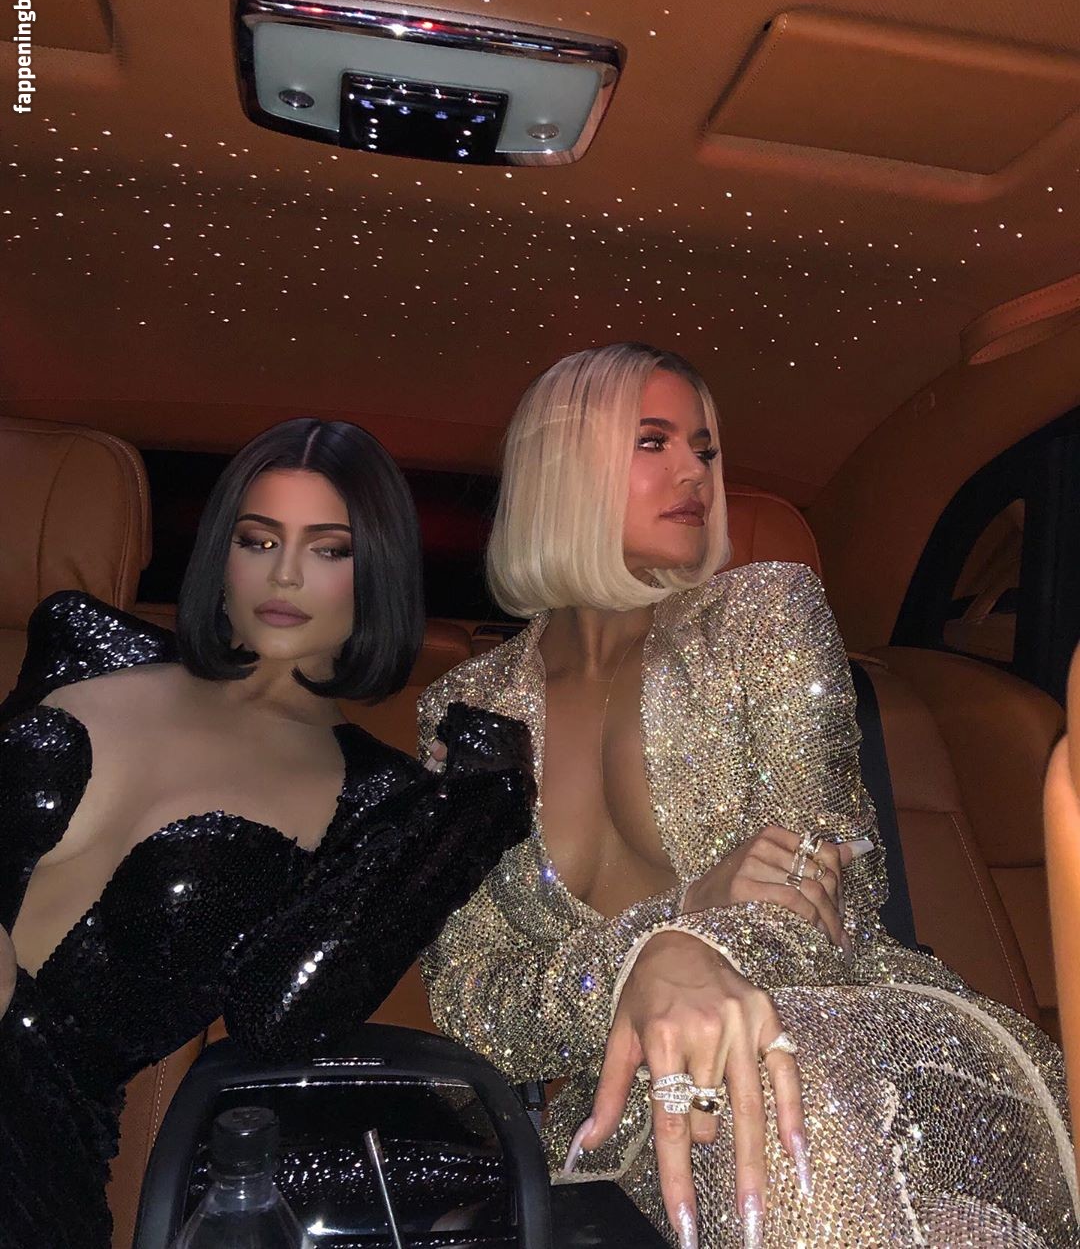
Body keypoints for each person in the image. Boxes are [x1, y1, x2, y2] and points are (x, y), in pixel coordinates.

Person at [418, 345, 1077, 1248]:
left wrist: (694, 946)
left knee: (757, 1078)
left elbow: (833, 892)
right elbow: (472, 1002)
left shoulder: (765, 614)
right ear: (559, 464)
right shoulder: (468, 709)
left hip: (858, 1033)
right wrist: (661, 941)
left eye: (705, 448)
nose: (695, 470)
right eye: (653, 441)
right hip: (629, 1112)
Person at [0, 417, 534, 1249]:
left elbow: (278, 1017)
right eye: (259, 540)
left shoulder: (378, 801)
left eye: (329, 549)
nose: (284, 574)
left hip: (33, 1145)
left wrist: (473, 810)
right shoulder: (86, 641)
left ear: (378, 576)